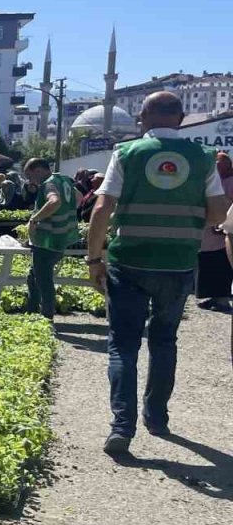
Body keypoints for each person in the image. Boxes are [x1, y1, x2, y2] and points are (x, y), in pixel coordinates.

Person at [86, 91, 230, 455]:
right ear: (181, 119)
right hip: (178, 264)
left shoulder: (127, 152)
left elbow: (102, 209)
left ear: (143, 119)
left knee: (123, 345)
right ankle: (157, 417)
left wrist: (94, 259)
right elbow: (217, 216)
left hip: (129, 262)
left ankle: (122, 426)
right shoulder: (202, 157)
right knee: (164, 342)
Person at [21, 158, 80, 321]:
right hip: (61, 237)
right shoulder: (64, 180)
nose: (29, 180)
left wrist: (34, 219)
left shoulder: (49, 184)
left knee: (43, 280)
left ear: (38, 171)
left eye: (29, 175)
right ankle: (31, 309)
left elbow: (54, 202)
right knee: (34, 275)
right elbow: (79, 197)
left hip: (47, 240)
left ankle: (46, 316)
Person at [197, 152, 233, 312]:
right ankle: (212, 297)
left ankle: (223, 300)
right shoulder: (213, 182)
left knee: (221, 267)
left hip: (222, 234)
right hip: (207, 235)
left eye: (219, 164)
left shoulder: (230, 182)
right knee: (207, 265)